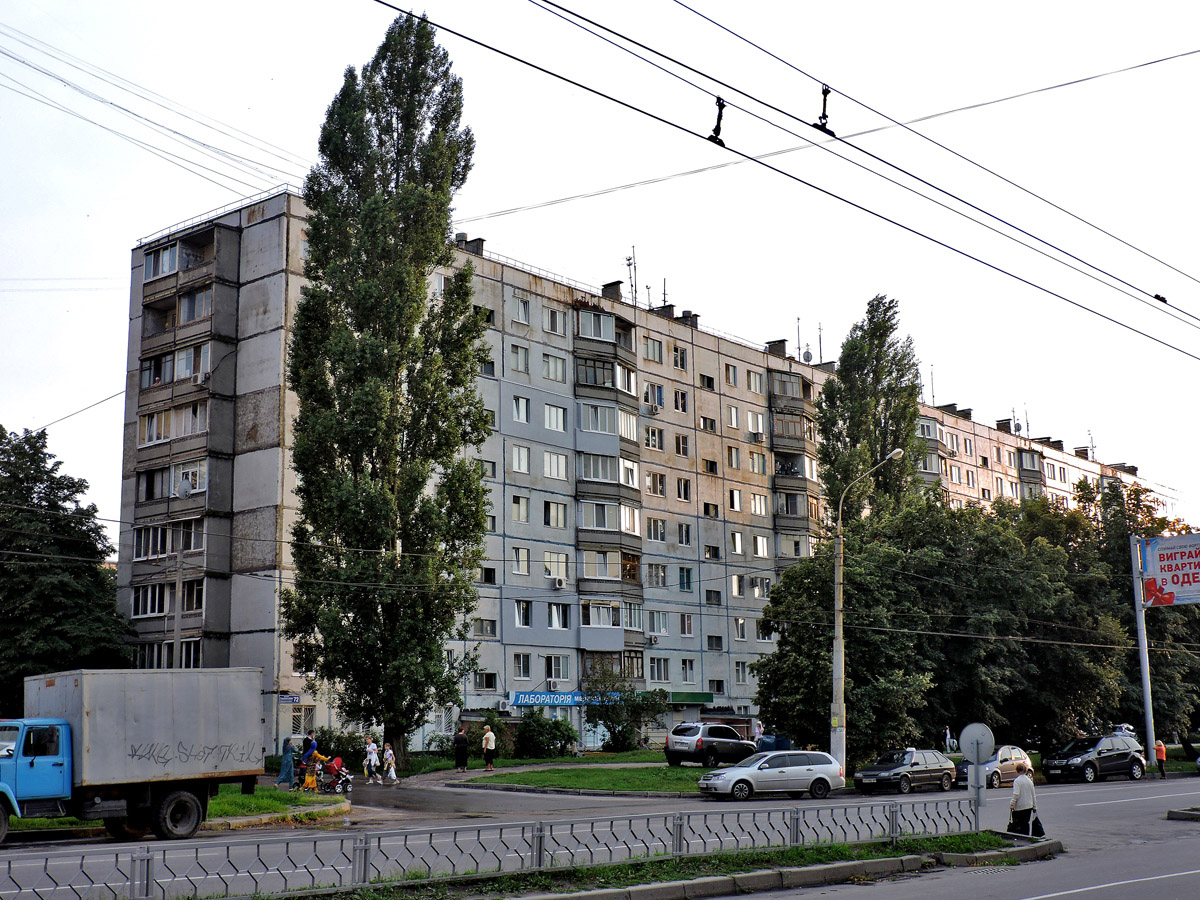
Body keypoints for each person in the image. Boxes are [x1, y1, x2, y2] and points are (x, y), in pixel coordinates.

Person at [1009, 761, 1037, 834]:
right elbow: (1033, 794)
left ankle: (1019, 839)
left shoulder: (1017, 781)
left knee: (1018, 824)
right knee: (1026, 824)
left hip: (1019, 807)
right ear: (1025, 770)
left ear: (1017, 770)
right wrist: (1034, 806)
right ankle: (1026, 836)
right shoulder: (1029, 781)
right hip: (1028, 806)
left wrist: (1012, 804)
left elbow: (1016, 794)